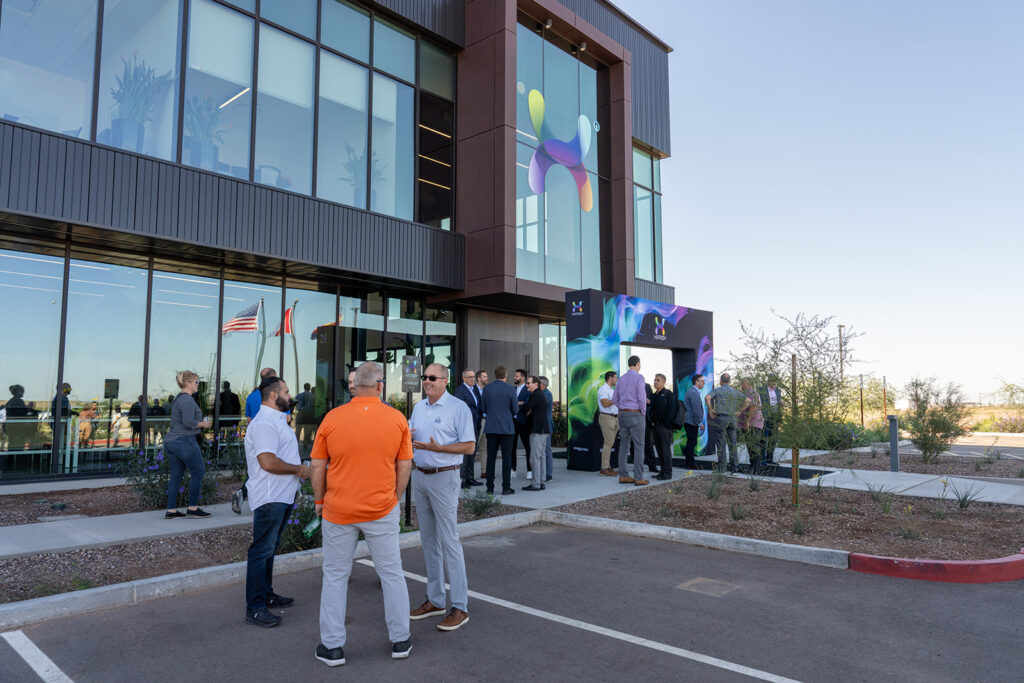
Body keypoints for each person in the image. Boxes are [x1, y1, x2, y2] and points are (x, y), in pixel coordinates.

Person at [310, 362, 413, 665]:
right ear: (380, 385)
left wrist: (319, 501)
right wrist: (395, 497)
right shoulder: (396, 419)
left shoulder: (332, 418)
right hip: (381, 508)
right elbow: (404, 464)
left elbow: (318, 465)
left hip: (338, 509)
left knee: (335, 577)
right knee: (392, 574)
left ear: (354, 386)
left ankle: (331, 647)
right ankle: (400, 640)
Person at [407, 363, 475, 631]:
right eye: (425, 377)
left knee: (449, 541)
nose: (426, 381)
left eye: (432, 378)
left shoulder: (458, 408)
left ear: (445, 381)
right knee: (428, 540)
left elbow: (469, 446)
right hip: (421, 477)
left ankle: (460, 607)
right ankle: (435, 600)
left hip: (445, 476)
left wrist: (441, 448)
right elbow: (412, 436)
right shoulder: (419, 407)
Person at [242, 376, 311, 628]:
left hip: (282, 495)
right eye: (286, 391)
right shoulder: (263, 424)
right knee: (261, 551)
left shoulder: (277, 421)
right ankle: (255, 607)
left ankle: (266, 594)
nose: (290, 395)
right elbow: (267, 462)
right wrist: (298, 470)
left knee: (269, 549)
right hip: (270, 497)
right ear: (274, 395)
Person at [164, 371, 212, 519]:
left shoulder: (179, 399)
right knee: (198, 471)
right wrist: (203, 424)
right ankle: (192, 508)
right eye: (196, 382)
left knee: (176, 476)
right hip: (184, 441)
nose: (198, 385)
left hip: (172, 441)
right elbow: (188, 422)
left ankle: (171, 510)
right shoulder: (187, 400)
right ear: (187, 383)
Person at [234, 368, 279, 514]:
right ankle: (266, 503)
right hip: (273, 438)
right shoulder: (275, 396)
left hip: (255, 438)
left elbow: (248, 420)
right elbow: (286, 418)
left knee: (256, 470)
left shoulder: (252, 396)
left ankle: (243, 493)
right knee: (273, 469)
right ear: (272, 378)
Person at [480, 365, 518, 495]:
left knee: (491, 458)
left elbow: (483, 408)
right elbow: (515, 409)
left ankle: (489, 488)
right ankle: (506, 488)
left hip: (491, 427)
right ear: (506, 375)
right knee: (506, 459)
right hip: (507, 428)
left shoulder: (487, 389)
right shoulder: (510, 389)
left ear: (495, 374)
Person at [705, 373, 751, 473]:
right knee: (733, 443)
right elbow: (748, 400)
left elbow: (707, 397)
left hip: (721, 419)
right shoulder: (734, 391)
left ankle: (722, 468)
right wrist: (739, 411)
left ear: (721, 381)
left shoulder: (717, 390)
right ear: (729, 381)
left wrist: (710, 410)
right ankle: (734, 467)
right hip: (732, 419)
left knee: (721, 443)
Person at [613, 356, 648, 486]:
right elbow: (641, 397)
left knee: (623, 445)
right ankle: (638, 477)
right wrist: (643, 412)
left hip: (623, 414)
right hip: (636, 414)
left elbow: (614, 398)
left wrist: (622, 409)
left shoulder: (621, 379)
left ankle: (623, 476)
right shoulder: (639, 378)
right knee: (639, 446)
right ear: (638, 364)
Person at [452, 369, 483, 488]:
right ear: (464, 378)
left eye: (473, 377)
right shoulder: (460, 391)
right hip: (465, 426)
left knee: (472, 452)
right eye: (470, 377)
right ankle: (463, 479)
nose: (472, 379)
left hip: (475, 425)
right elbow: (459, 410)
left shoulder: (475, 390)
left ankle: (470, 477)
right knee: (465, 453)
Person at [521, 376, 549, 491]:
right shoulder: (539, 394)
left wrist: (523, 406)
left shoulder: (536, 395)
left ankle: (536, 484)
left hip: (538, 430)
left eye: (528, 383)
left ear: (536, 384)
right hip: (542, 430)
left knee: (535, 458)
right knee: (541, 457)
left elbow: (526, 408)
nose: (527, 385)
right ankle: (541, 482)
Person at [649, 374, 676, 480]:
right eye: (654, 380)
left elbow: (671, 410)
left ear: (663, 382)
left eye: (658, 380)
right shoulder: (654, 395)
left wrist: (665, 425)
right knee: (659, 451)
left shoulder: (668, 394)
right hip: (655, 427)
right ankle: (662, 471)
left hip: (664, 428)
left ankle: (668, 473)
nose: (655, 382)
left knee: (665, 451)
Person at [739, 378, 766, 468]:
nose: (741, 385)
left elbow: (753, 408)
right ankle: (753, 465)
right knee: (750, 445)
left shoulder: (752, 393)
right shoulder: (747, 393)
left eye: (743, 383)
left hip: (754, 423)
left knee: (753, 445)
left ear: (749, 384)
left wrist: (747, 422)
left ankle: (756, 467)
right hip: (751, 422)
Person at [597, 371, 619, 476]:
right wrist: (616, 399)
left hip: (614, 418)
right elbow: (605, 403)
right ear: (610, 378)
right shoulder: (603, 389)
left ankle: (608, 467)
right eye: (615, 378)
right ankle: (604, 468)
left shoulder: (611, 390)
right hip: (607, 417)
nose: (616, 379)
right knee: (608, 443)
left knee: (610, 443)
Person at [682, 374, 706, 469]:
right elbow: (696, 409)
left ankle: (689, 462)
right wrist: (699, 422)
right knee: (691, 443)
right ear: (696, 382)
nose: (703, 382)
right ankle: (690, 463)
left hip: (690, 421)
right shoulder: (694, 392)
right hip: (691, 422)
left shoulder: (693, 391)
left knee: (691, 442)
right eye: (702, 381)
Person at [512, 368, 532, 478]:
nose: (514, 378)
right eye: (515, 376)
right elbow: (510, 403)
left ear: (523, 378)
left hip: (524, 422)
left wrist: (518, 403)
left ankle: (530, 470)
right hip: (513, 421)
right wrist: (519, 403)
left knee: (527, 446)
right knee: (511, 446)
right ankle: (513, 469)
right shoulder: (512, 389)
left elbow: (527, 404)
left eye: (517, 376)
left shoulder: (528, 389)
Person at [758, 378, 783, 464]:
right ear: (768, 382)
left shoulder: (778, 391)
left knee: (773, 439)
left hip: (775, 417)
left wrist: (781, 403)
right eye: (772, 382)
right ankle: (763, 459)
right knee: (764, 438)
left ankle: (770, 459)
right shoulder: (761, 390)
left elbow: (778, 401)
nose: (774, 384)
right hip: (765, 416)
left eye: (775, 383)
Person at [294, 382, 317, 455]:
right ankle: (305, 446)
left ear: (304, 387)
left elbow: (295, 402)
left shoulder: (299, 395)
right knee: (307, 433)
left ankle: (295, 446)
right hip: (309, 415)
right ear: (309, 388)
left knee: (298, 432)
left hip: (300, 413)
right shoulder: (313, 396)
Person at [474, 370, 488, 478]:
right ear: (479, 379)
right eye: (484, 376)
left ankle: (484, 471)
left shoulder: (488, 390)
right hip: (478, 421)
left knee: (485, 447)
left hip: (488, 421)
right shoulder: (473, 390)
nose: (487, 378)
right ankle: (468, 473)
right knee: (474, 447)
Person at [539, 376, 554, 482]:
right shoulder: (541, 394)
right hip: (541, 426)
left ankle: (548, 474)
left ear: (542, 385)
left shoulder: (547, 394)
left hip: (546, 426)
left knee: (546, 450)